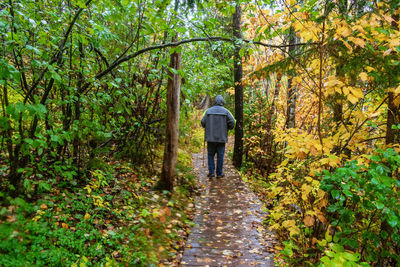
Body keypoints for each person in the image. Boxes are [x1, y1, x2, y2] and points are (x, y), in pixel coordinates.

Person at [201, 95, 235, 179]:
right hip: (221, 138)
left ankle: (211, 172)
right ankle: (219, 174)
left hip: (210, 138)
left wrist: (207, 126)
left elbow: (202, 122)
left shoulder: (208, 111)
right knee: (220, 156)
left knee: (210, 155)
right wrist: (228, 128)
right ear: (222, 102)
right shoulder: (226, 112)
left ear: (214, 102)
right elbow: (232, 122)